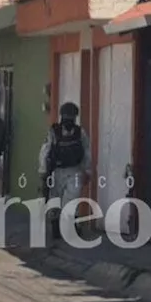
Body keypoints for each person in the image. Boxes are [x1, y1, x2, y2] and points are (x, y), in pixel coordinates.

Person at [38, 102, 91, 242]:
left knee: (70, 201)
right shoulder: (54, 132)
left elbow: (86, 152)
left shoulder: (79, 133)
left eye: (70, 116)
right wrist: (43, 171)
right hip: (58, 171)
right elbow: (45, 151)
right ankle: (57, 228)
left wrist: (87, 170)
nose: (69, 119)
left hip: (73, 171)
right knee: (56, 201)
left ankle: (68, 229)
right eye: (67, 115)